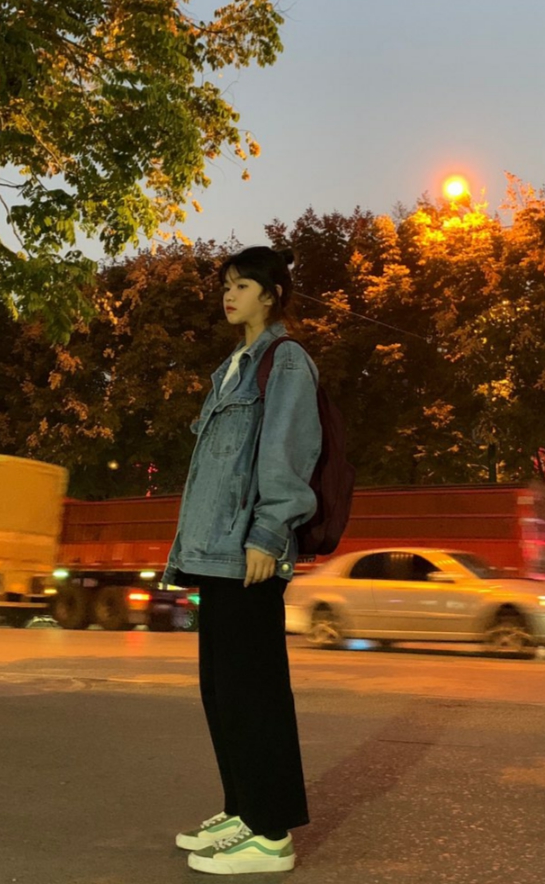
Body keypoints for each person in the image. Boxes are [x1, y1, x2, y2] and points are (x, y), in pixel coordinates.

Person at [163, 246, 322, 875]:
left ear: (272, 295)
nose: (229, 295)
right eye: (227, 284)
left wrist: (268, 532)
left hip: (249, 550)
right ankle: (242, 810)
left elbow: (288, 451)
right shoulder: (232, 368)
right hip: (214, 550)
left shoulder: (286, 361)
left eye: (243, 285)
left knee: (255, 693)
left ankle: (271, 832)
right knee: (222, 690)